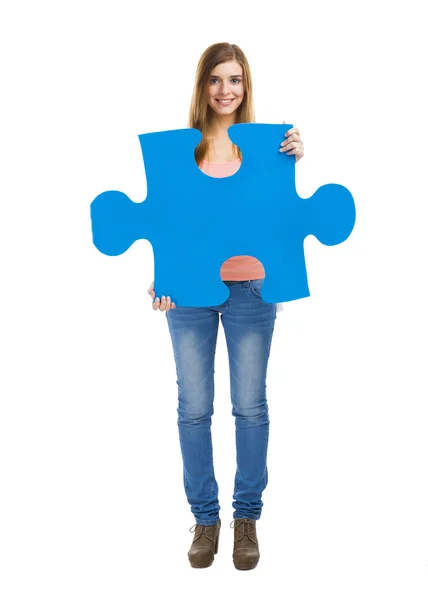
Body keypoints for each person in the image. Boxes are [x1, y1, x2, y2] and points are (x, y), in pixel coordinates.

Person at [147, 42, 304, 570]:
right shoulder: (181, 151)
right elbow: (166, 223)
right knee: (193, 408)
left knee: (249, 405)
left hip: (252, 290)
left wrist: (296, 157)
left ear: (246, 86)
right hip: (189, 293)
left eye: (234, 79)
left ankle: (246, 520)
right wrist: (161, 281)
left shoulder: (266, 147)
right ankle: (205, 519)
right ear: (201, 86)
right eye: (215, 80)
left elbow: (281, 214)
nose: (225, 90)